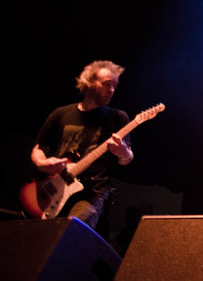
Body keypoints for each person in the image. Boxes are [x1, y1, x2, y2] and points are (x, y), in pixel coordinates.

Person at [30, 60, 133, 228]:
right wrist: (42, 163)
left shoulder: (118, 118)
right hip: (58, 185)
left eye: (114, 85)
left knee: (72, 232)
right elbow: (39, 148)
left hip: (92, 191)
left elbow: (127, 159)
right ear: (89, 83)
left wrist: (123, 152)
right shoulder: (61, 114)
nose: (112, 90)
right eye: (107, 84)